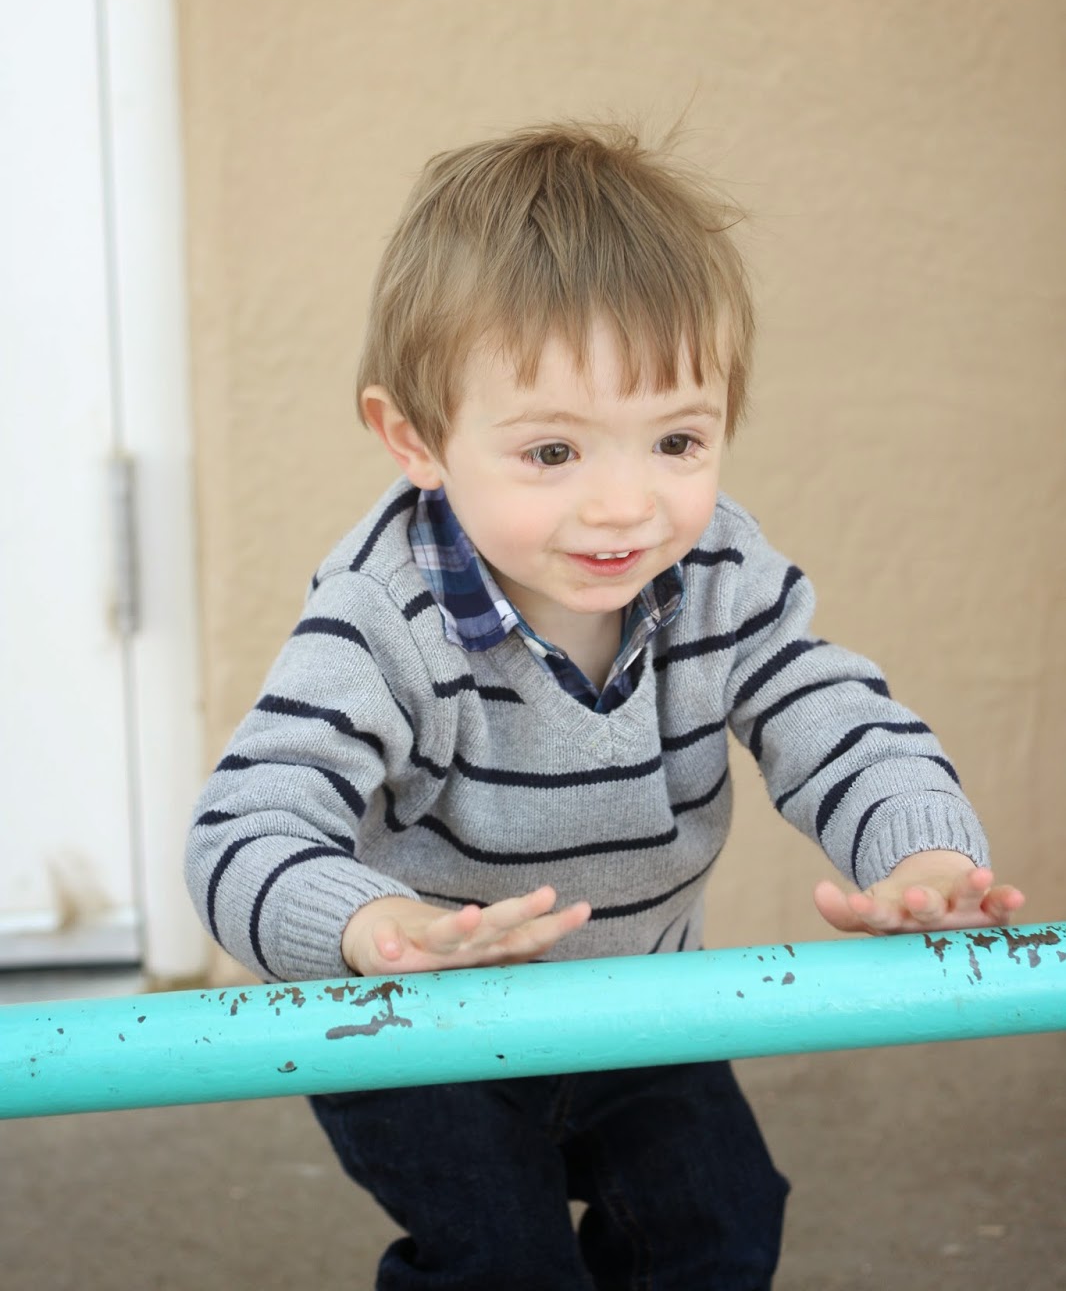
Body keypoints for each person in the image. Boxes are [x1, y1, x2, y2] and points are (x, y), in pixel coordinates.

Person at [185, 122, 1024, 1290]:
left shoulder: (718, 574)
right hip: (420, 1024)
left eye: (676, 439)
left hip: (637, 993)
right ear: (415, 438)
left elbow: (832, 716)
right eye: (552, 454)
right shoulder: (379, 620)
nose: (625, 505)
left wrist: (920, 852)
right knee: (504, 1261)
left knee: (720, 1222)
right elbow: (239, 832)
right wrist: (370, 927)